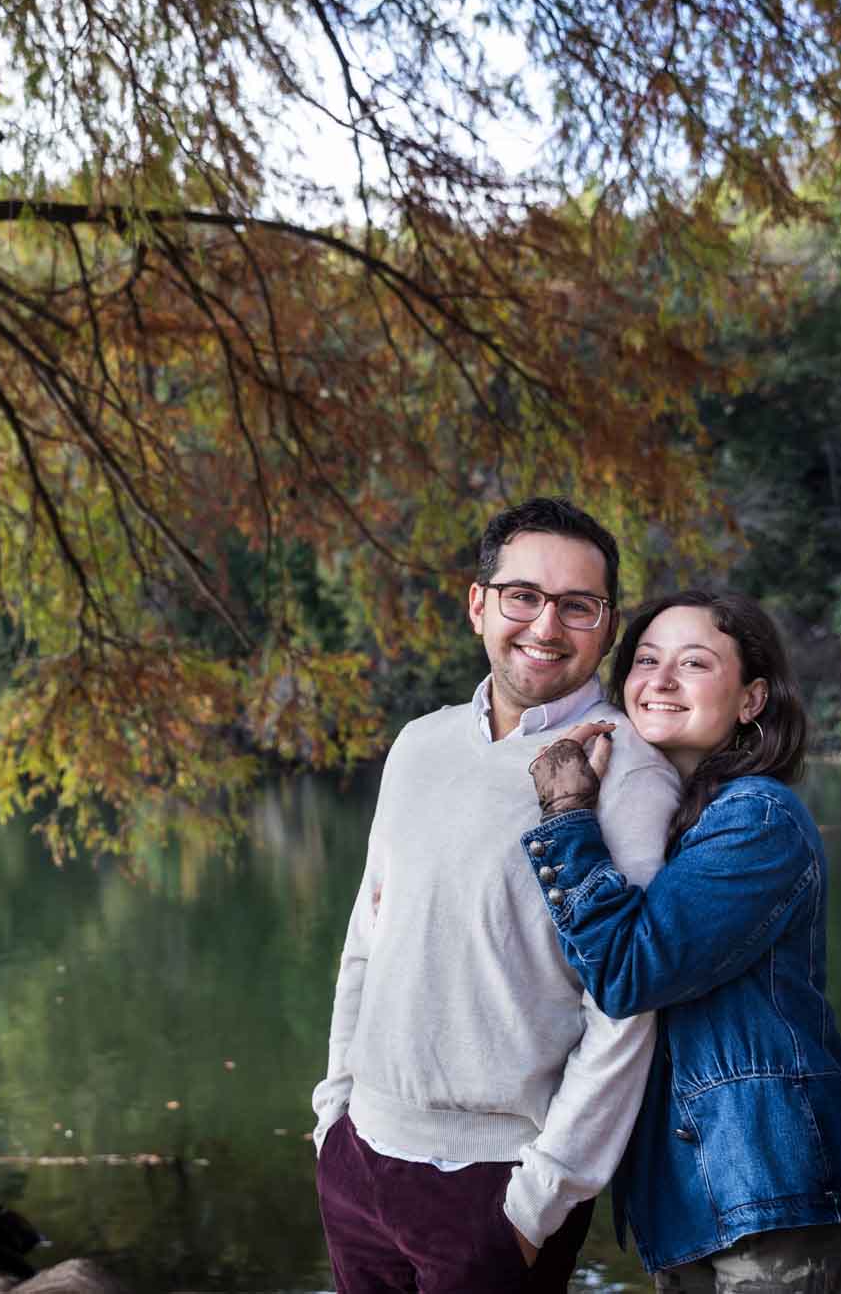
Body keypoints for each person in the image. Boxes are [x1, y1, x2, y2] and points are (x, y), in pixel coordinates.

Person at [312, 497, 682, 1293]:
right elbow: (366, 941)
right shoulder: (420, 745)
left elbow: (624, 1006)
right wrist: (333, 1116)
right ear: (479, 602)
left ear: (607, 626)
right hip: (361, 1162)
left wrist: (539, 1199)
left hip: (495, 1186)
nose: (546, 626)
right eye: (523, 595)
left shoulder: (628, 773)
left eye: (577, 605)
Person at [522, 589, 841, 1293]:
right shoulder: (669, 826)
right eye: (647, 659)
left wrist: (567, 814)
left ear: (751, 700)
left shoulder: (759, 817)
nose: (659, 680)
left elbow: (629, 970)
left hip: (775, 1199)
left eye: (693, 663)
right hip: (698, 1203)